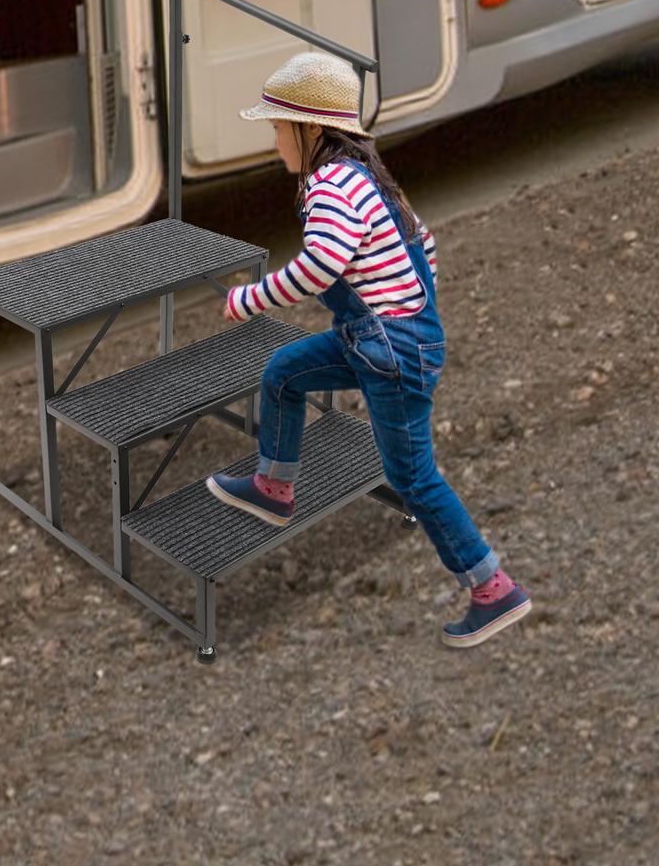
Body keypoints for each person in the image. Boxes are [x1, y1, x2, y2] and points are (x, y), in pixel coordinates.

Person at [205, 51, 532, 648]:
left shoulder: (331, 185)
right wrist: (409, 305)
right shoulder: (365, 175)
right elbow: (424, 244)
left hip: (389, 350)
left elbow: (321, 266)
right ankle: (274, 487)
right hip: (384, 339)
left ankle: (493, 589)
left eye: (278, 129)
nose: (274, 141)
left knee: (413, 478)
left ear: (310, 129)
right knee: (283, 372)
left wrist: (248, 300)